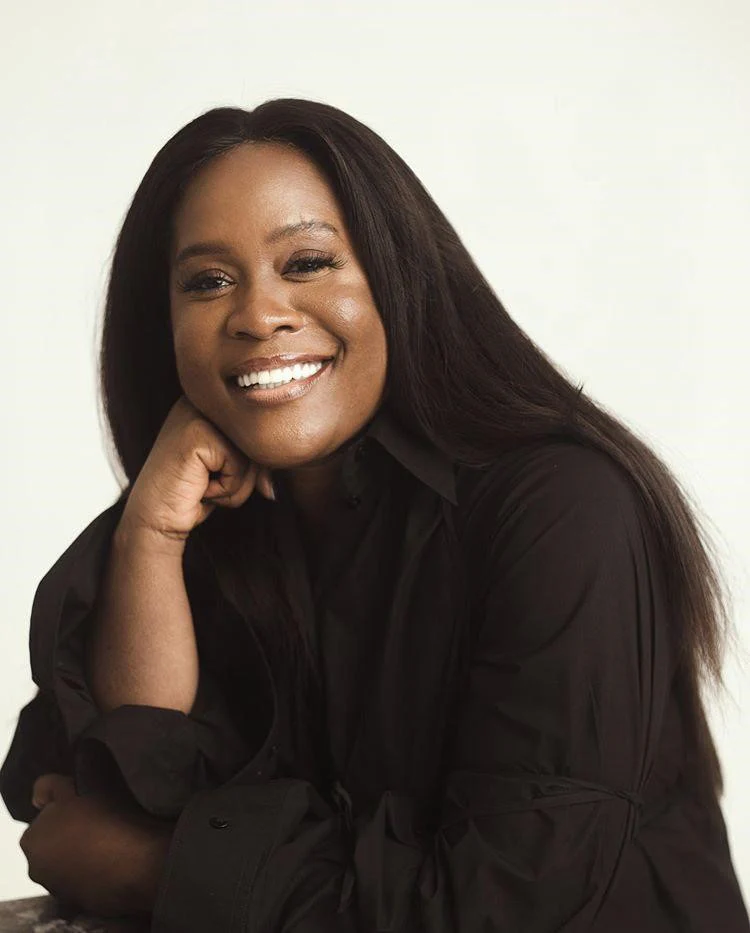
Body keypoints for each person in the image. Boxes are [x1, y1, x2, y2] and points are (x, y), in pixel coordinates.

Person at [1, 98, 748, 932]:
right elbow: (102, 793)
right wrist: (150, 536)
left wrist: (157, 871)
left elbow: (499, 908)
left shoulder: (562, 511)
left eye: (307, 262)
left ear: (398, 278)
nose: (258, 314)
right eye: (208, 281)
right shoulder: (202, 510)